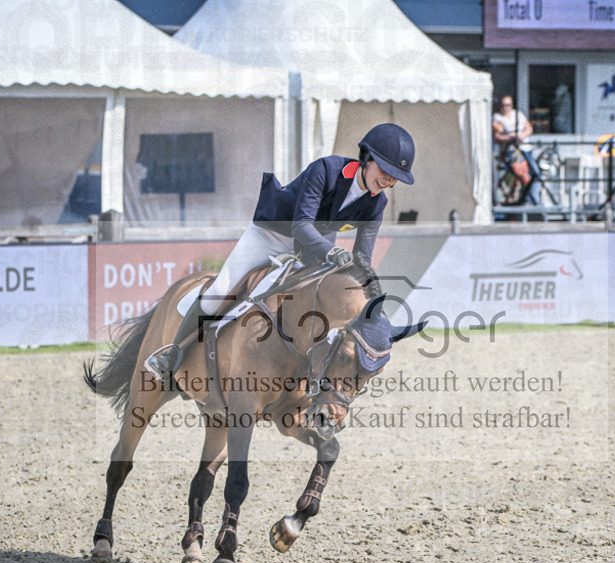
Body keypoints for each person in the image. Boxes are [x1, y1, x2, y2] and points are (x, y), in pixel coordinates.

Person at [145, 123, 416, 385]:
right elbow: (301, 225)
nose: (389, 180)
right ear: (366, 158)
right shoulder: (326, 169)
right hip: (272, 234)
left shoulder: (377, 204)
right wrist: (332, 251)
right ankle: (173, 354)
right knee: (221, 291)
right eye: (385, 170)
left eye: (395, 177)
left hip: (313, 249)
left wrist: (372, 308)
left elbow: (362, 261)